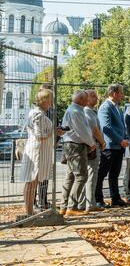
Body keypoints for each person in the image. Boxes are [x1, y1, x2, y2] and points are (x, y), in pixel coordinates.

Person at [20, 89, 62, 219]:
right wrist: (54, 132)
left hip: (39, 150)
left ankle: (30, 212)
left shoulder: (37, 112)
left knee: (32, 182)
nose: (52, 102)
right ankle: (29, 213)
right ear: (45, 100)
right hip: (37, 152)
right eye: (50, 99)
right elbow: (39, 135)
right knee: (31, 182)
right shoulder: (38, 114)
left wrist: (55, 132)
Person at [60, 90, 95, 216]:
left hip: (72, 145)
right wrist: (91, 143)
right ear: (81, 100)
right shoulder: (76, 111)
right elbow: (82, 131)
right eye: (86, 99)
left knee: (70, 176)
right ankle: (71, 207)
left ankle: (64, 206)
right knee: (81, 176)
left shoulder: (74, 109)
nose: (88, 101)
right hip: (76, 146)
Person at [96, 84, 129, 208]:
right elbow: (106, 127)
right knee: (102, 173)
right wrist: (120, 140)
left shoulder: (117, 107)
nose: (123, 95)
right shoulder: (105, 107)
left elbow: (121, 125)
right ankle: (98, 199)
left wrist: (124, 139)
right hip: (110, 147)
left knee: (115, 173)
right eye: (121, 92)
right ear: (114, 93)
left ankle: (115, 198)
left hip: (119, 146)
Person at [80, 90, 105, 212]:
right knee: (91, 175)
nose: (96, 98)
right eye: (93, 96)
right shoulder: (87, 112)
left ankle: (88, 202)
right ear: (87, 98)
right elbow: (95, 130)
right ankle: (89, 203)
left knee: (89, 175)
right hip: (92, 147)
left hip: (92, 146)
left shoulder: (89, 112)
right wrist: (102, 142)